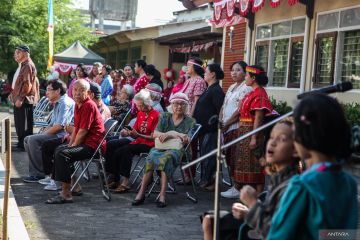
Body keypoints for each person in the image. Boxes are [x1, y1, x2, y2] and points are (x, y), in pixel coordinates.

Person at [267, 94, 358, 240]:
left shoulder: (302, 186)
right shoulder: (349, 182)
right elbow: (345, 234)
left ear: (303, 136)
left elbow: (278, 236)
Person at [202, 119, 299, 240]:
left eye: (282, 139)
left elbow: (278, 231)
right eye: (272, 137)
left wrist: (253, 205)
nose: (272, 143)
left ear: (296, 149)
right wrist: (247, 212)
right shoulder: (278, 178)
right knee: (209, 221)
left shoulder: (293, 186)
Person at [45, 79, 105, 204]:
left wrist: (73, 146)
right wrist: (70, 144)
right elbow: (76, 129)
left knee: (63, 153)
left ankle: (66, 194)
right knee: (60, 149)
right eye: (75, 90)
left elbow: (83, 131)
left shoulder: (88, 105)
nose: (77, 93)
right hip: (84, 143)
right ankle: (72, 187)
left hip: (93, 146)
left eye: (82, 90)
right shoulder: (78, 105)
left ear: (88, 93)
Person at [132, 93, 195, 207]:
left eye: (182, 104)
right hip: (162, 146)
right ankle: (141, 192)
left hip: (179, 150)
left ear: (186, 106)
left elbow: (187, 139)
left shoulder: (190, 121)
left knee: (166, 158)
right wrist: (175, 134)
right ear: (172, 105)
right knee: (151, 157)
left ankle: (162, 195)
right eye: (176, 103)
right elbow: (155, 133)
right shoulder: (165, 116)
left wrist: (171, 134)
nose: (179, 106)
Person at [105, 90, 159, 193]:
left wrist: (137, 135)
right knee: (116, 150)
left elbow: (153, 137)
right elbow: (135, 130)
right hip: (139, 141)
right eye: (137, 105)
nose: (138, 108)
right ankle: (115, 178)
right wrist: (127, 132)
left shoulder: (156, 115)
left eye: (140, 105)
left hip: (150, 144)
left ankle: (125, 182)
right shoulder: (141, 114)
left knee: (126, 150)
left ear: (147, 103)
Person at [22, 80, 74, 183]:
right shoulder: (58, 102)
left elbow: (59, 126)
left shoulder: (64, 103)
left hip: (63, 136)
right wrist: (42, 134)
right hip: (57, 133)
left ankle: (39, 174)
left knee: (33, 140)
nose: (47, 93)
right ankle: (36, 172)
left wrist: (42, 135)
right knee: (27, 139)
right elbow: (51, 124)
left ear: (58, 91)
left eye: (49, 90)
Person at [235, 65, 273, 193]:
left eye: (246, 75)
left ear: (253, 78)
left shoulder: (260, 94)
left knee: (255, 164)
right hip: (244, 132)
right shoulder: (252, 92)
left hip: (251, 131)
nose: (245, 77)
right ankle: (247, 194)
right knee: (245, 164)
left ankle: (258, 195)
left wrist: (254, 137)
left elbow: (259, 117)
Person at [220, 61, 252, 199]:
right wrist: (221, 120)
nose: (234, 72)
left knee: (236, 158)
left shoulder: (246, 88)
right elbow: (224, 105)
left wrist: (227, 123)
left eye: (238, 70)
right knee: (229, 157)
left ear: (245, 72)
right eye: (232, 70)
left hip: (236, 127)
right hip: (226, 126)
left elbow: (239, 110)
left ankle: (238, 187)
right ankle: (235, 184)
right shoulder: (232, 86)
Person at [193, 63, 225, 190]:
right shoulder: (209, 88)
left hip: (211, 129)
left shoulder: (216, 90)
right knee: (205, 154)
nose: (204, 73)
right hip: (203, 128)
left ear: (213, 74)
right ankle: (206, 179)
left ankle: (211, 181)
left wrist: (218, 124)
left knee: (210, 156)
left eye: (206, 72)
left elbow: (220, 109)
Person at [10, 44, 39, 149]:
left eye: (18, 52)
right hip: (22, 98)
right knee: (20, 123)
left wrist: (20, 98)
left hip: (25, 100)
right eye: (15, 52)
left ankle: (24, 145)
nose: (15, 55)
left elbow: (27, 84)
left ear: (26, 53)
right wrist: (13, 94)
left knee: (24, 124)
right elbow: (20, 83)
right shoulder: (23, 65)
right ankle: (21, 143)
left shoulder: (27, 65)